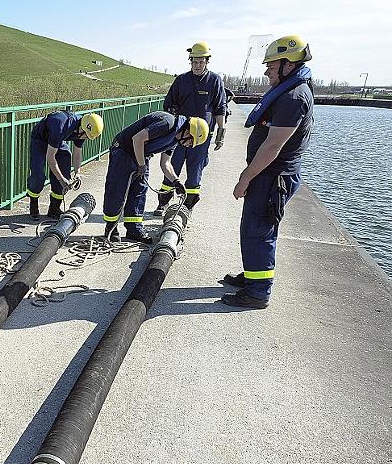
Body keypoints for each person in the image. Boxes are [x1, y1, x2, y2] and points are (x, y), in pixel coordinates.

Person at [221, 35, 313, 309]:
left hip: (273, 178)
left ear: (288, 64)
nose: (266, 70)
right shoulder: (288, 90)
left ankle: (258, 292)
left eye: (271, 66)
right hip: (268, 175)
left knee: (259, 231)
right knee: (252, 229)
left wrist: (245, 177)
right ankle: (253, 276)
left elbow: (273, 146)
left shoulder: (293, 97)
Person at [102, 111, 208, 243]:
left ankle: (134, 229)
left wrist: (176, 181)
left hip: (141, 154)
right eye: (191, 143)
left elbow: (165, 163)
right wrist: (141, 164)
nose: (188, 146)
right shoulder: (167, 123)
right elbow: (137, 139)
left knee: (139, 192)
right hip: (124, 151)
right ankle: (111, 228)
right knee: (117, 191)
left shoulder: (174, 140)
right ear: (188, 133)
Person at [154, 42, 227, 215]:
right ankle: (163, 202)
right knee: (173, 166)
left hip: (202, 137)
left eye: (201, 62)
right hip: (180, 134)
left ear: (207, 62)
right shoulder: (182, 80)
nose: (197, 65)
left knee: (195, 171)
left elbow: (220, 108)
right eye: (194, 62)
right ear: (190, 61)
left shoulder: (214, 81)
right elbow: (169, 104)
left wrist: (221, 132)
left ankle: (187, 207)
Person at [26, 110, 104, 219]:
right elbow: (50, 157)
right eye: (86, 136)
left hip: (58, 140)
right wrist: (61, 179)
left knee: (64, 169)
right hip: (40, 139)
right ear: (83, 129)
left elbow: (77, 154)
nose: (86, 138)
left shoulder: (83, 129)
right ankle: (33, 205)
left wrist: (77, 173)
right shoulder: (61, 125)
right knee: (38, 175)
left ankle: (54, 209)